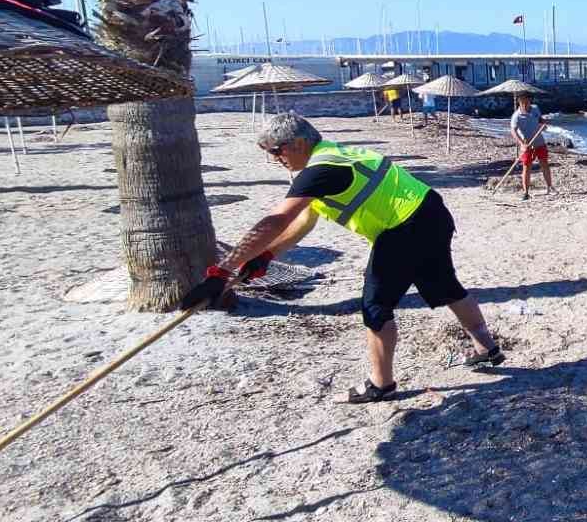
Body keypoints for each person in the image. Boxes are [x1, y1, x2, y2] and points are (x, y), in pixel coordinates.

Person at [180, 112, 505, 403]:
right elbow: (302, 223)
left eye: (276, 151)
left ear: (298, 143)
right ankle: (487, 348)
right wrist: (266, 255)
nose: (275, 159)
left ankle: (381, 384)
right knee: (445, 285)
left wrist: (222, 271)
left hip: (404, 228)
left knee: (376, 306)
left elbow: (276, 220)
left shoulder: (321, 169)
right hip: (430, 212)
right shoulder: (334, 156)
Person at [510, 93, 554, 199]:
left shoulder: (535, 108)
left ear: (530, 101)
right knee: (527, 167)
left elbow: (540, 119)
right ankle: (526, 193)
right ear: (519, 103)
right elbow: (513, 131)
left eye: (527, 102)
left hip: (539, 142)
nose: (525, 105)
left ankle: (549, 187)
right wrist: (522, 144)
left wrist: (543, 123)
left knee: (544, 164)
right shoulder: (516, 116)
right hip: (527, 145)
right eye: (522, 103)